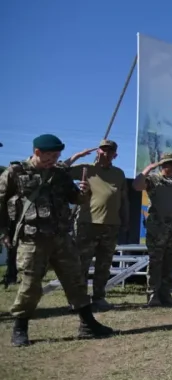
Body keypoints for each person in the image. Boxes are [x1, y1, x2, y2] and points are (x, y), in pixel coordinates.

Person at [0, 134, 114, 347]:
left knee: (76, 280)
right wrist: (3, 232)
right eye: (50, 156)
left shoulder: (59, 174)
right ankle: (20, 328)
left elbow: (75, 198)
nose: (53, 160)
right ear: (37, 152)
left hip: (61, 237)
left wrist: (84, 192)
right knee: (30, 284)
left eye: (57, 156)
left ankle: (88, 324)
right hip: (33, 239)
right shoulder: (15, 173)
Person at [64, 140, 129, 310]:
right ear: (97, 152)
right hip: (87, 224)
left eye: (109, 151)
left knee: (104, 265)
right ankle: (78, 300)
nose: (105, 153)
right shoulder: (86, 169)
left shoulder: (119, 173)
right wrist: (77, 156)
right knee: (81, 265)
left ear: (115, 155)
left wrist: (125, 220)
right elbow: (59, 169)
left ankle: (99, 298)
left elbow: (123, 199)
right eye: (102, 150)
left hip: (111, 225)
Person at [132, 152, 172, 307]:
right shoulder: (153, 180)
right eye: (170, 163)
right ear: (163, 165)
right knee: (156, 261)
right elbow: (136, 186)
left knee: (170, 262)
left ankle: (166, 294)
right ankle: (153, 295)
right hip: (157, 227)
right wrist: (148, 168)